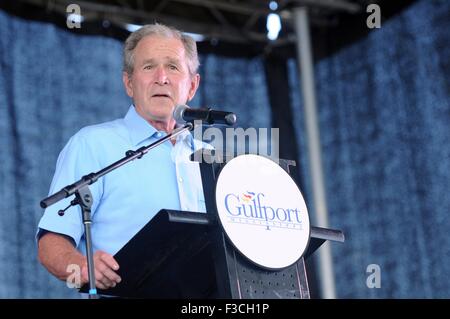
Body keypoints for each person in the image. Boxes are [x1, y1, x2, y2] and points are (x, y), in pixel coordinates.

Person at [37, 23, 208, 293]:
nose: (161, 78)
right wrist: (80, 266)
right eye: (149, 67)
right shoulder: (93, 145)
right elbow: (50, 242)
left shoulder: (211, 159)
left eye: (173, 67)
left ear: (192, 86)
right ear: (129, 83)